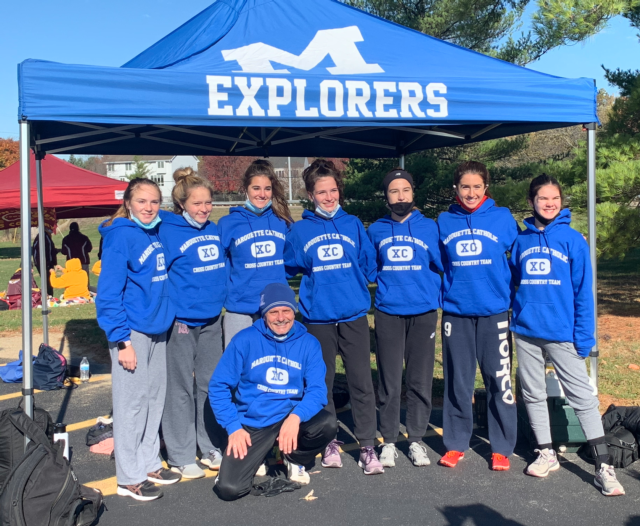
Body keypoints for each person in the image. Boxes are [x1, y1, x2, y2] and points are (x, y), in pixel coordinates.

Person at [510, 174, 624, 496]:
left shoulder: (574, 240)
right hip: (526, 331)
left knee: (583, 398)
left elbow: (583, 294)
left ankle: (604, 465)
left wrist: (585, 338)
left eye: (555, 199)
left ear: (561, 202)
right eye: (543, 198)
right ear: (531, 201)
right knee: (532, 393)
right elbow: (515, 281)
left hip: (563, 334)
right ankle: (546, 452)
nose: (549, 203)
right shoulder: (521, 241)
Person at [284, 159, 382, 475]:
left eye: (333, 190)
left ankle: (367, 445)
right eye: (321, 192)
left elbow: (368, 265)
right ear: (311, 195)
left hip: (352, 314)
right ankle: (329, 441)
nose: (329, 197)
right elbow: (290, 267)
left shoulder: (353, 224)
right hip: (318, 319)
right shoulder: (299, 230)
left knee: (361, 383)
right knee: (320, 384)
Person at [209, 283, 335, 501]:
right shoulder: (244, 340)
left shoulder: (309, 343)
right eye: (273, 312)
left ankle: (292, 458)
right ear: (264, 314)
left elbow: (317, 391)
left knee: (326, 425)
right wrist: (234, 427)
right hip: (254, 421)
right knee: (229, 489)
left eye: (286, 310)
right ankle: (261, 456)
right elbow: (218, 386)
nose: (281, 318)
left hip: (289, 415)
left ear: (294, 311)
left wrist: (296, 417)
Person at [96, 177, 179, 502]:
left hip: (157, 329)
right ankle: (129, 477)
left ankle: (148, 462)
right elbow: (108, 295)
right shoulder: (120, 237)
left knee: (152, 400)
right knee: (130, 405)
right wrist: (121, 341)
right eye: (142, 201)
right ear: (128, 202)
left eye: (154, 202)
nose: (148, 207)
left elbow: (179, 215)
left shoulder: (153, 230)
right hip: (132, 333)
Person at [437, 161, 518, 471]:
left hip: (494, 312)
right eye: (464, 187)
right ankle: (456, 443)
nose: (471, 193)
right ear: (456, 189)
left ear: (486, 187)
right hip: (456, 313)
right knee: (458, 382)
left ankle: (501, 447)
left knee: (499, 381)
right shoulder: (444, 221)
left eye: (477, 186)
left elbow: (519, 254)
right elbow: (439, 263)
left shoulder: (503, 218)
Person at [367, 168, 443, 468]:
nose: (400, 197)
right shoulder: (376, 231)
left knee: (420, 381)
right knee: (388, 381)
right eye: (394, 191)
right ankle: (389, 440)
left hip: (423, 313)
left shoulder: (430, 228)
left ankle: (416, 440)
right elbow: (370, 270)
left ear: (413, 193)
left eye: (405, 190)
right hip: (388, 313)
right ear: (386, 197)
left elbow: (442, 264)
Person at [158, 167, 227, 480]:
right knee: (181, 388)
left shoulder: (213, 229)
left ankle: (210, 445)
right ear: (182, 204)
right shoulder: (167, 231)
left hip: (213, 319)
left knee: (211, 386)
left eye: (208, 202)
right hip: (182, 323)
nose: (204, 209)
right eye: (197, 204)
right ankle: (180, 454)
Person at [218, 160, 293, 348]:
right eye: (256, 188)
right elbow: (221, 264)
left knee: (274, 365)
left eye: (267, 189)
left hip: (275, 307)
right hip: (240, 306)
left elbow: (291, 260)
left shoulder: (281, 221)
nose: (262, 194)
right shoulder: (228, 223)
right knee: (239, 364)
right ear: (246, 189)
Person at [32, 227, 57, 296]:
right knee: (48, 281)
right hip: (45, 263)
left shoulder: (42, 237)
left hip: (42, 262)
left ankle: (48, 296)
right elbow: (47, 251)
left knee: (47, 281)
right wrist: (50, 263)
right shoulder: (44, 238)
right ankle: (49, 296)